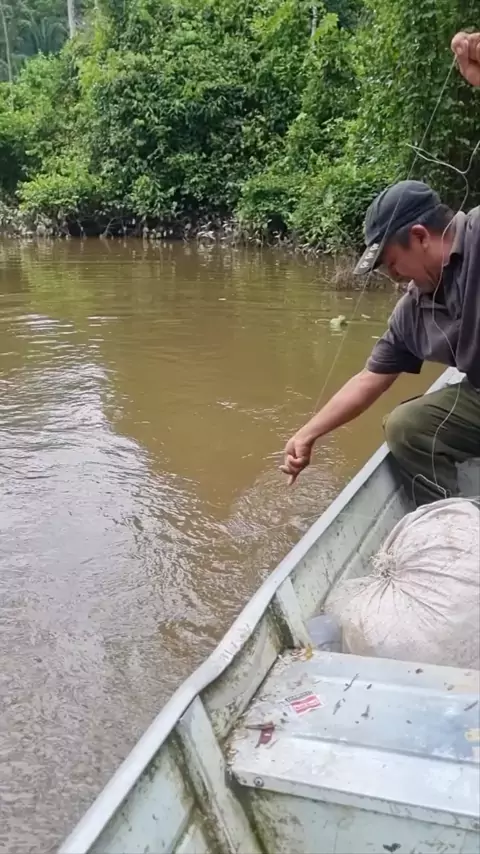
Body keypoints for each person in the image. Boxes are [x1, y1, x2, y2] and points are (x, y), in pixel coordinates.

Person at [281, 31, 480, 506]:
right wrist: (308, 433)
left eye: (393, 265)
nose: (395, 279)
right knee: (405, 427)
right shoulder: (413, 308)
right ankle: (452, 524)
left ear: (420, 236)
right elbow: (369, 379)